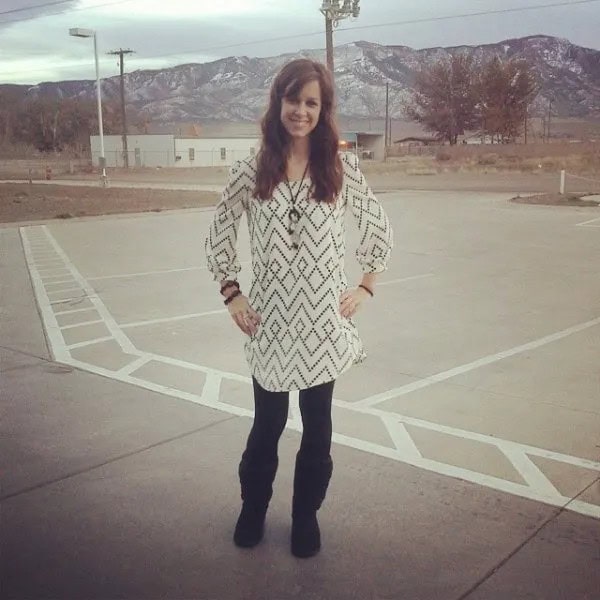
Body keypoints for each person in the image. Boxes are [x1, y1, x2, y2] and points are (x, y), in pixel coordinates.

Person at [205, 58, 393, 558]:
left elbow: (376, 226)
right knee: (266, 428)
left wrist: (366, 287)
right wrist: (233, 293)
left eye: (312, 102)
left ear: (323, 109)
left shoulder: (341, 166)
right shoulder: (250, 169)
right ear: (278, 102)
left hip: (321, 326)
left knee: (317, 431)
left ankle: (305, 516)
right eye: (294, 100)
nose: (301, 111)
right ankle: (253, 509)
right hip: (269, 324)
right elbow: (219, 234)